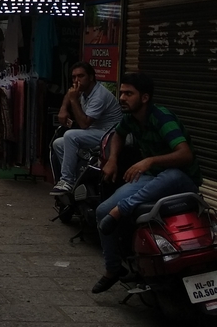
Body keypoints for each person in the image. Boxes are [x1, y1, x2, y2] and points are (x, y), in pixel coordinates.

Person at [91, 72, 202, 293]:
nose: (122, 97)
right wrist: (112, 160)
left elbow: (185, 155)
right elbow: (118, 135)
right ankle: (113, 269)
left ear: (144, 98)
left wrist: (149, 160)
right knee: (103, 210)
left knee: (171, 175)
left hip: (181, 179)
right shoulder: (130, 118)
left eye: (128, 93)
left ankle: (121, 210)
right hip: (154, 178)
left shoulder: (162, 118)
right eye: (121, 93)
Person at [50, 62, 122, 197]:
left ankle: (67, 181)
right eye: (74, 77)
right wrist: (64, 108)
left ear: (91, 77)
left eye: (81, 76)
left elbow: (84, 124)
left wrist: (73, 101)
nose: (77, 81)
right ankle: (77, 179)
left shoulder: (99, 95)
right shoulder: (83, 91)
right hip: (95, 132)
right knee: (58, 144)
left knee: (70, 136)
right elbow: (69, 93)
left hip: (109, 136)